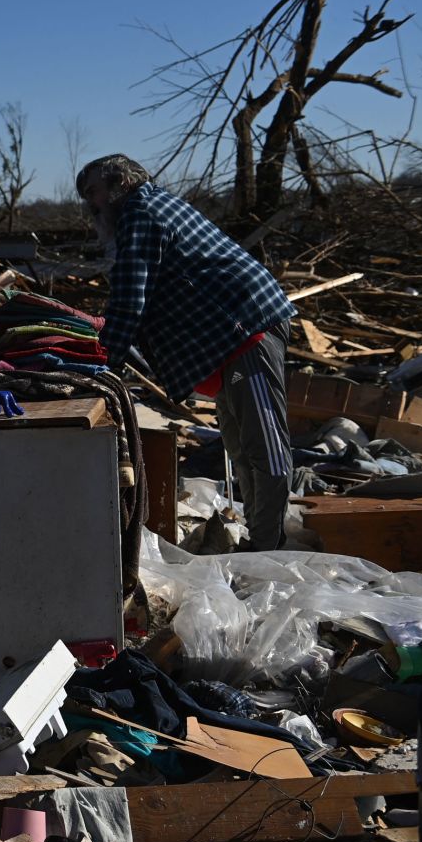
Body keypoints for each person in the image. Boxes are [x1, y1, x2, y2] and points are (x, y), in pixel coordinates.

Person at [77, 154, 297, 551]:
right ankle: (260, 540)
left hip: (247, 329)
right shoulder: (151, 207)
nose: (89, 204)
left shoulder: (140, 212)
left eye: (92, 192)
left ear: (120, 183)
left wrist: (100, 367)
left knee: (264, 447)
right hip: (230, 340)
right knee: (240, 445)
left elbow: (129, 299)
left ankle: (268, 548)